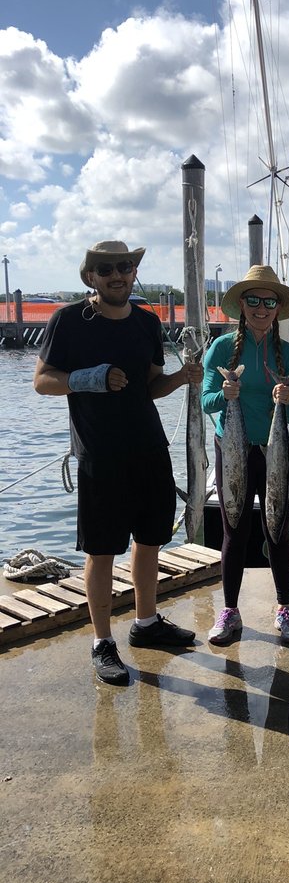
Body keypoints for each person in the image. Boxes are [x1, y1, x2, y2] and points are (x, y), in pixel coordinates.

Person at [33, 240, 202, 686]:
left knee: (150, 542)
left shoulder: (147, 322)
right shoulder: (68, 320)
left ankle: (146, 624)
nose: (117, 275)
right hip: (99, 456)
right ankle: (102, 642)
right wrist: (92, 378)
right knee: (102, 550)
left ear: (133, 272)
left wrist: (181, 378)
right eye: (105, 269)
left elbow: (149, 385)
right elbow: (43, 382)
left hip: (149, 448)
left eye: (124, 267)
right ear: (90, 277)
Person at [201, 265, 289, 645]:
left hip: (275, 450)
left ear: (278, 308)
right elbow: (205, 400)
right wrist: (225, 394)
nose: (262, 308)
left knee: (277, 529)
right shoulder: (223, 348)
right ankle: (229, 611)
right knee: (234, 530)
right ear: (242, 304)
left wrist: (287, 400)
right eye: (254, 300)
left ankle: (284, 608)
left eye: (269, 301)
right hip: (233, 447)